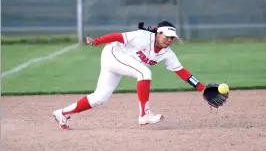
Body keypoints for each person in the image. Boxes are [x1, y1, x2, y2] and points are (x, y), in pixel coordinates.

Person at [53, 21, 206, 130]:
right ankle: (144, 114)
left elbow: (182, 71)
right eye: (166, 36)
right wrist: (97, 41)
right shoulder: (143, 36)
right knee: (144, 72)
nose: (169, 40)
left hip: (120, 62)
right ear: (158, 33)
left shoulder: (167, 53)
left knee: (100, 97)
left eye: (172, 37)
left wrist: (202, 88)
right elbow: (118, 36)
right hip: (113, 54)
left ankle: (63, 114)